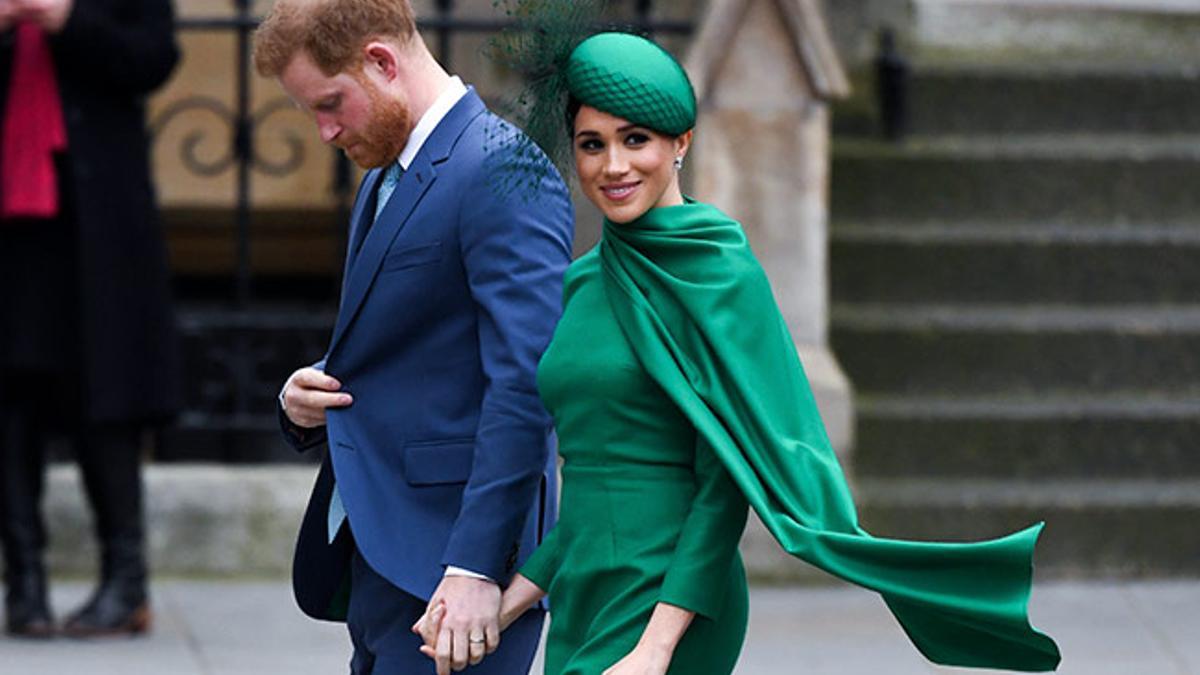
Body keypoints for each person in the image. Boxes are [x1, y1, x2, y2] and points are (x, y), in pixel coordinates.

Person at [417, 32, 1062, 675]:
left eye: (635, 139)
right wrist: (505, 604)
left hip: (674, 599)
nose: (613, 166)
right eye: (593, 145)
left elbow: (723, 482)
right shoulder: (582, 280)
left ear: (681, 144)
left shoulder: (717, 269)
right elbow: (594, 487)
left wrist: (657, 646)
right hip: (586, 592)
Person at [252, 0, 573, 672]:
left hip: (455, 577)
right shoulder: (383, 178)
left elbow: (526, 384)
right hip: (383, 561)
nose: (324, 131)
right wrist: (304, 396)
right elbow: (414, 350)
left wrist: (474, 567)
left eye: (331, 102)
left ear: (381, 62)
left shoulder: (500, 170)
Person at [0, 0, 180, 638]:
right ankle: (23, 586)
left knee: (105, 395)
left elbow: (155, 56)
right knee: (10, 399)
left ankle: (125, 583)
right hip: (10, 224)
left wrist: (66, 20)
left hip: (94, 220)